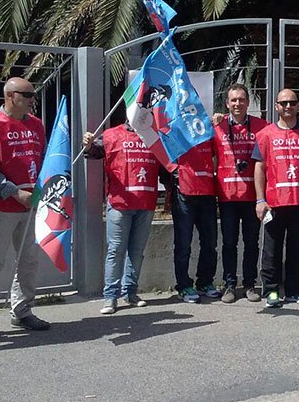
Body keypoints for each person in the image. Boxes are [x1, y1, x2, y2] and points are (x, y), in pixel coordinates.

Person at [0, 77, 49, 342]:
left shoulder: (37, 125)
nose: (32, 99)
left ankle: (22, 309)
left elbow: (44, 159)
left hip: (32, 206)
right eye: (27, 94)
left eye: (32, 94)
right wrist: (15, 192)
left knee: (28, 261)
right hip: (2, 206)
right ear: (10, 96)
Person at [83, 123, 161, 315]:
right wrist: (88, 144)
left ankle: (131, 293)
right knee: (116, 250)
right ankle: (110, 297)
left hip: (146, 202)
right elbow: (92, 152)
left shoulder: (155, 134)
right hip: (120, 203)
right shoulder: (111, 135)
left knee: (136, 251)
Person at [212, 84, 269, 303]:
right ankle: (229, 285)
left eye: (241, 100)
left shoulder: (262, 127)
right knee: (228, 243)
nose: (237, 104)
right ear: (227, 103)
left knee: (252, 242)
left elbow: (283, 132)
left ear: (248, 103)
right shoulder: (217, 127)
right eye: (233, 100)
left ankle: (249, 284)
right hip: (227, 197)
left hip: (253, 197)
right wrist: (210, 121)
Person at [254, 89, 299, 307]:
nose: (288, 107)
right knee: (271, 250)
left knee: (298, 249)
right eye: (283, 103)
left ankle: (294, 290)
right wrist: (260, 200)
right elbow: (259, 167)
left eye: (292, 103)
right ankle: (270, 291)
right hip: (274, 203)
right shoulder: (266, 134)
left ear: (298, 106)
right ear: (276, 106)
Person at [170, 136, 218, 304]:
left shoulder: (207, 129)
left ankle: (205, 282)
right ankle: (183, 286)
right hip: (183, 193)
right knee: (183, 244)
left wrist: (218, 120)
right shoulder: (174, 129)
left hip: (207, 192)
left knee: (210, 242)